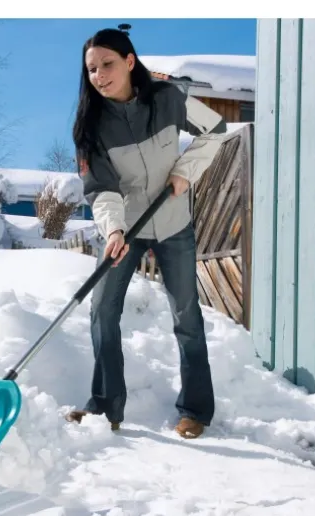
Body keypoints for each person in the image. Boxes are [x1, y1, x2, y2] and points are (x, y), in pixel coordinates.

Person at [66, 28, 227, 439]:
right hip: (127, 225)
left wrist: (184, 173)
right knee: (102, 310)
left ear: (129, 62)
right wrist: (114, 229)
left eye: (107, 65)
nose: (99, 75)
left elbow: (216, 129)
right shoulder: (91, 128)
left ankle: (195, 409)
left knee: (186, 315)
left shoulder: (168, 96)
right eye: (91, 70)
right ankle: (105, 406)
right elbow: (101, 190)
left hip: (173, 220)